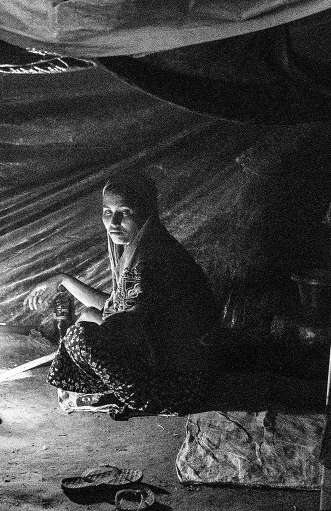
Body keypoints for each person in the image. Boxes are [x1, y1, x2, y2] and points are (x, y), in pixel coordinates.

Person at [26, 171, 218, 417]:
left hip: (180, 382)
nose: (114, 223)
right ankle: (106, 391)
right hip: (163, 359)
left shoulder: (152, 257)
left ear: (146, 212)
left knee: (80, 335)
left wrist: (86, 341)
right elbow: (114, 308)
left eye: (124, 212)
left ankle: (134, 399)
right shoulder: (139, 247)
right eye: (108, 213)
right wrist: (63, 280)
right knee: (88, 316)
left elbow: (126, 326)